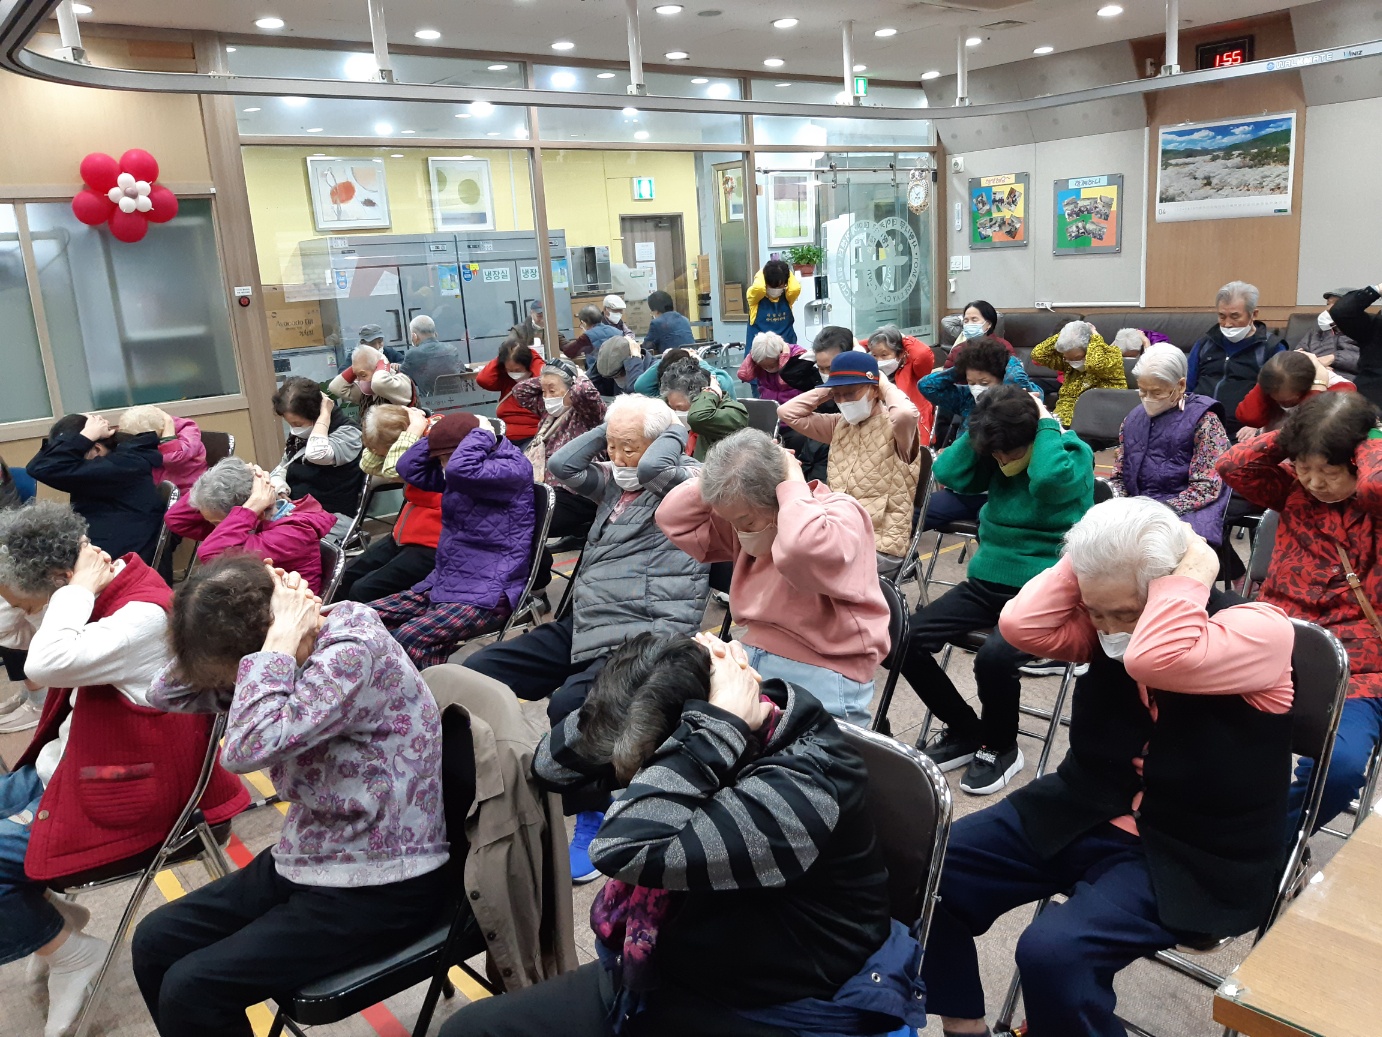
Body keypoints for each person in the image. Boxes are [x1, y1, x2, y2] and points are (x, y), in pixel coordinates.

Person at [925, 497, 1294, 1037]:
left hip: (1195, 848)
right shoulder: (1105, 631)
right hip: (1087, 806)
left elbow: (1155, 658)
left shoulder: (1259, 630)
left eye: (1123, 612)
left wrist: (1194, 567)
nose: (1107, 628)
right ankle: (965, 1028)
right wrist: (1084, 564)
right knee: (927, 867)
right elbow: (1021, 625)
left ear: (1170, 586)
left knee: (1054, 953)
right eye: (1095, 611)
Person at [441, 631, 923, 1037]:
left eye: (649, 768)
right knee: (469, 1031)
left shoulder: (798, 793)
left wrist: (716, 727)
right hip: (677, 966)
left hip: (771, 1002)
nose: (635, 783)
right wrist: (647, 676)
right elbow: (551, 767)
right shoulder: (701, 734)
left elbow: (622, 847)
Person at [131, 556, 449, 1037]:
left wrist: (277, 642)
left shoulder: (350, 650)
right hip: (319, 851)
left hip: (384, 877)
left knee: (194, 990)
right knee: (155, 940)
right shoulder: (288, 658)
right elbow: (162, 693)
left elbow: (245, 749)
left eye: (238, 676)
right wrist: (258, 630)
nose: (234, 687)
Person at [0, 503, 248, 1037]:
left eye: (29, 601)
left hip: (134, 796)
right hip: (75, 765)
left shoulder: (139, 616)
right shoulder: (97, 591)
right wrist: (47, 593)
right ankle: (54, 926)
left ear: (61, 581)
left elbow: (40, 663)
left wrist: (71, 594)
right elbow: (14, 630)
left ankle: (72, 953)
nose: (24, 612)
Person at [462, 395, 709, 882]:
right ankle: (496, 783)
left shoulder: (688, 483)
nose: (616, 458)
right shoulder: (615, 487)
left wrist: (674, 428)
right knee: (478, 672)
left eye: (628, 447)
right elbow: (561, 464)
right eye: (611, 446)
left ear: (664, 443)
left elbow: (656, 467)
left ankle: (593, 811)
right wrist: (613, 429)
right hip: (586, 621)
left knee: (571, 706)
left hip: (643, 630)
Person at [900, 386, 1094, 795]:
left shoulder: (1070, 453)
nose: (1002, 461)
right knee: (901, 640)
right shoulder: (997, 451)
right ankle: (965, 729)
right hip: (986, 582)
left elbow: (1048, 482)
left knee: (994, 658)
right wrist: (981, 425)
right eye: (996, 454)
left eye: (1009, 452)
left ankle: (1001, 745)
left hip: (1047, 589)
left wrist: (1045, 423)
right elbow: (948, 472)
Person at [1218, 391, 1382, 832]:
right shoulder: (1292, 489)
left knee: (1340, 767)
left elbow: (1375, 486)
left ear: (1357, 461)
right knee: (1186, 722)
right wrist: (1297, 435)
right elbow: (1231, 465)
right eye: (1304, 467)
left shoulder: (1376, 504)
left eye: (1329, 471)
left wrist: (1371, 436)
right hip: (1275, 645)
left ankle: (1274, 843)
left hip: (1358, 668)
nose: (1314, 482)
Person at [658, 427, 889, 724]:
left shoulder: (840, 513)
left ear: (778, 495)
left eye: (746, 522)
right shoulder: (747, 513)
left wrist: (792, 478)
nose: (739, 531)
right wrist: (724, 473)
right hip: (754, 654)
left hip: (826, 669)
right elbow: (672, 518)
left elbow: (799, 548)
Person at [369, 413, 535, 669]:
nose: (444, 466)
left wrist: (482, 431)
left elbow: (459, 469)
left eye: (448, 457)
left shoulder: (511, 468)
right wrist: (438, 432)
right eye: (441, 460)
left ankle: (425, 693)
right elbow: (407, 467)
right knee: (362, 617)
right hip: (447, 581)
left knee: (409, 638)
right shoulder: (464, 471)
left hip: (490, 592)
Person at [779, 352, 922, 577]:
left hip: (880, 544)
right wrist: (831, 389)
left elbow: (905, 413)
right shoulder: (840, 425)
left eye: (851, 393)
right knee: (785, 556)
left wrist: (883, 383)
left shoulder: (898, 430)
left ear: (874, 390)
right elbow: (787, 413)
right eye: (838, 396)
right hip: (838, 534)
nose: (844, 401)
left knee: (806, 571)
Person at [1108, 345, 1232, 546]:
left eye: (1157, 393)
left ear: (1180, 385)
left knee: (1156, 549)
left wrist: (1156, 513)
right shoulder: (1133, 419)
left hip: (1186, 512)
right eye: (1142, 391)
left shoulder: (1205, 421)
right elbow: (1119, 476)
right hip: (1139, 509)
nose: (1148, 399)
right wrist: (1118, 505)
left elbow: (1206, 487)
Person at [163, 458, 337, 594]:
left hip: (287, 616)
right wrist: (216, 480)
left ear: (255, 511)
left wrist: (251, 507)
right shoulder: (248, 525)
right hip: (255, 602)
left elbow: (211, 554)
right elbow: (176, 519)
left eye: (218, 524)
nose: (217, 529)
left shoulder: (293, 532)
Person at [918, 338, 1042, 528]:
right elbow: (927, 386)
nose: (977, 388)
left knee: (989, 524)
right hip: (966, 487)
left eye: (984, 382)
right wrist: (961, 368)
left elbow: (1020, 386)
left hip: (1004, 490)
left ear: (1002, 378)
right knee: (915, 513)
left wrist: (1009, 363)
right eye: (971, 382)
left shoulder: (1026, 398)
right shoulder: (965, 398)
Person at [27, 413, 165, 564]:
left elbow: (41, 467)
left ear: (97, 450)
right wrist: (83, 437)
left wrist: (85, 436)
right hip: (114, 548)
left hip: (122, 562)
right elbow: (43, 465)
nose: (72, 462)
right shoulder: (121, 459)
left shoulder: (119, 467)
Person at [338, 405, 444, 602]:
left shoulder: (438, 445)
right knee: (343, 576)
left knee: (363, 590)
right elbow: (368, 465)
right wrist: (385, 442)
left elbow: (395, 469)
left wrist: (412, 430)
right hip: (408, 534)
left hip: (434, 544)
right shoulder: (414, 443)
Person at [512, 357, 607, 543]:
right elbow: (520, 391)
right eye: (544, 391)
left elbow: (585, 392)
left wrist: (577, 375)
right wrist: (548, 378)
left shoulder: (588, 413)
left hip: (576, 492)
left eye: (553, 390)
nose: (547, 397)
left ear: (571, 389)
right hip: (546, 488)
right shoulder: (548, 412)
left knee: (525, 519)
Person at [1185, 280, 1286, 438]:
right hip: (1198, 426)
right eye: (1222, 316)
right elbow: (1187, 386)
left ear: (1254, 314)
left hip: (1242, 432)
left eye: (1235, 316)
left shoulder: (1271, 348)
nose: (1227, 324)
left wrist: (1259, 424)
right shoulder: (1205, 343)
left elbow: (1281, 396)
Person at [267, 377, 366, 522]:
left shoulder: (349, 434)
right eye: (290, 424)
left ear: (317, 414)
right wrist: (280, 488)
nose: (294, 429)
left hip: (331, 516)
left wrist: (325, 414)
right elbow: (283, 467)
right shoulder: (302, 435)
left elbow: (316, 454)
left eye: (297, 424)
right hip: (297, 511)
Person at [1235, 348, 1355, 437]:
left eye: (1287, 401)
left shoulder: (1341, 389)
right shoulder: (1275, 382)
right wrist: (1266, 380)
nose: (1283, 405)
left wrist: (1318, 386)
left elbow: (1309, 430)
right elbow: (1249, 417)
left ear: (1307, 387)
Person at [1030, 319, 1127, 427]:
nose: (1072, 362)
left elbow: (1095, 364)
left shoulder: (1111, 355)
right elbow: (1038, 355)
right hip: (1063, 421)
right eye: (1067, 358)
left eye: (1077, 358)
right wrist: (1065, 334)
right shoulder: (1068, 363)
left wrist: (1094, 336)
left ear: (1089, 348)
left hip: (1096, 420)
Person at [662, 358, 748, 462]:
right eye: (673, 408)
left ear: (699, 397)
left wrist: (711, 391)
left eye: (679, 408)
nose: (675, 412)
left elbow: (697, 418)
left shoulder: (733, 412)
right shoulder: (676, 403)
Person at [866, 324, 936, 444]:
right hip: (879, 432)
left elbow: (923, 354)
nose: (879, 360)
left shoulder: (913, 370)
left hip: (912, 432)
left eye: (884, 355)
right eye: (874, 355)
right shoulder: (870, 373)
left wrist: (904, 338)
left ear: (900, 354)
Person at [118, 405, 207, 496]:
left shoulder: (188, 431)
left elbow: (173, 458)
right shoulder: (148, 432)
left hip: (187, 494)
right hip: (156, 491)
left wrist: (168, 438)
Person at [477, 334, 546, 446]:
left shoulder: (539, 383)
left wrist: (532, 355)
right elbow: (483, 380)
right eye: (509, 370)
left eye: (517, 370)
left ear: (528, 365)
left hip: (532, 437)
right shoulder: (506, 379)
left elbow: (544, 377)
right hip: (505, 436)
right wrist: (502, 358)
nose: (514, 374)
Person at [328, 343, 416, 414]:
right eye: (356, 375)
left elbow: (378, 383)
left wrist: (383, 361)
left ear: (378, 369)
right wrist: (357, 366)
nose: (359, 380)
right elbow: (335, 387)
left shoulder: (401, 381)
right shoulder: (366, 392)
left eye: (363, 375)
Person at [737, 330, 819, 405]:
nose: (768, 368)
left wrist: (785, 357)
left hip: (794, 408)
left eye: (771, 365)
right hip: (769, 408)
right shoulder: (759, 358)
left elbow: (783, 381)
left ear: (780, 354)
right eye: (763, 366)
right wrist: (753, 354)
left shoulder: (798, 354)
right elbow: (744, 375)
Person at [1296, 288, 1362, 378]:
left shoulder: (1365, 330)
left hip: (1347, 379)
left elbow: (1370, 361)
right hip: (1313, 376)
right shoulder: (1315, 332)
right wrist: (1317, 367)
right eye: (1328, 304)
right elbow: (1298, 355)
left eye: (1336, 304)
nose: (1329, 308)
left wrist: (1334, 358)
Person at [630, 346, 737, 398]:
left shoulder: (663, 396)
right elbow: (722, 380)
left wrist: (667, 359)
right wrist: (697, 360)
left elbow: (640, 385)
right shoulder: (708, 391)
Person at [744, 258, 799, 353]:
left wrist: (785, 272)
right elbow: (759, 288)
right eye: (772, 286)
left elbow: (795, 288)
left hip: (785, 349)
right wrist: (763, 271)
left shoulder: (788, 296)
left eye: (780, 286)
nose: (776, 289)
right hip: (761, 353)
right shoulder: (755, 298)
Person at [401, 314, 461, 396]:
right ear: (436, 334)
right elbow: (461, 371)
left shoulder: (412, 354)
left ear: (414, 336)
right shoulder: (452, 349)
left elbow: (401, 379)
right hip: (457, 399)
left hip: (429, 402)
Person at [943, 300, 1015, 368]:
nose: (969, 324)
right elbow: (946, 374)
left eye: (974, 320)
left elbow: (1014, 371)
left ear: (988, 324)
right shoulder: (958, 349)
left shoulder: (1003, 346)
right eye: (966, 321)